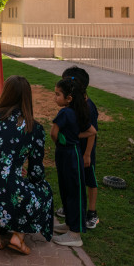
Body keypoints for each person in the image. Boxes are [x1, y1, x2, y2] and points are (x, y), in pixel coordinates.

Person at [0, 75, 54, 255]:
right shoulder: (34, 128)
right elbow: (36, 172)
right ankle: (18, 236)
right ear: (27, 97)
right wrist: (17, 172)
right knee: (43, 191)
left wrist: (5, 167)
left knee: (1, 185)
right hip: (10, 191)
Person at [50, 78, 97, 247]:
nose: (55, 97)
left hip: (68, 154)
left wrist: (62, 141)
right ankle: (70, 224)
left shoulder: (65, 113)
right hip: (70, 153)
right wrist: (74, 137)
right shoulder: (78, 111)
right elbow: (92, 131)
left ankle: (75, 234)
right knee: (67, 189)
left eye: (57, 94)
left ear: (69, 98)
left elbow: (53, 133)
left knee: (74, 191)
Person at [58, 67, 100, 230]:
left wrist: (88, 154)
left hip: (85, 151)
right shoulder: (73, 105)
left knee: (89, 180)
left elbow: (92, 133)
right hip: (73, 150)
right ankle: (73, 209)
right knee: (74, 180)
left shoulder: (89, 107)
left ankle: (92, 213)